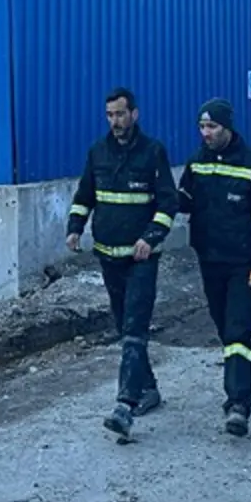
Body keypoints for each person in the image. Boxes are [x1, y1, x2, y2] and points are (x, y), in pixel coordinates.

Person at [66, 87, 178, 443]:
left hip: (141, 258)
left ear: (135, 114)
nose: (115, 121)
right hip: (107, 256)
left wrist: (151, 237)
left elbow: (168, 203)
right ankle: (149, 390)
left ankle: (124, 407)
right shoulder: (97, 152)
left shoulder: (153, 152)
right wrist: (74, 229)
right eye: (110, 115)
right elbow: (85, 195)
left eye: (121, 114)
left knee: (134, 328)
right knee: (124, 327)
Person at [178, 98, 251, 437]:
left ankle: (238, 404)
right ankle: (239, 385)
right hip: (210, 261)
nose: (206, 133)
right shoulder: (197, 162)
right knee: (224, 328)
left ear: (228, 127)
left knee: (237, 332)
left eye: (212, 127)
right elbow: (183, 200)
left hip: (244, 265)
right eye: (202, 127)